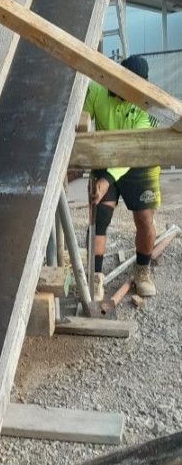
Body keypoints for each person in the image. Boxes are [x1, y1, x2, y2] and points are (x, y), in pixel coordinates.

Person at [84, 54, 160, 301]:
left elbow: (131, 151)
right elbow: (81, 121)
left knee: (145, 218)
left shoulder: (147, 106)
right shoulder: (96, 90)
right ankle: (95, 278)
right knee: (100, 215)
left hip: (138, 160)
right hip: (105, 157)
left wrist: (107, 179)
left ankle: (142, 272)